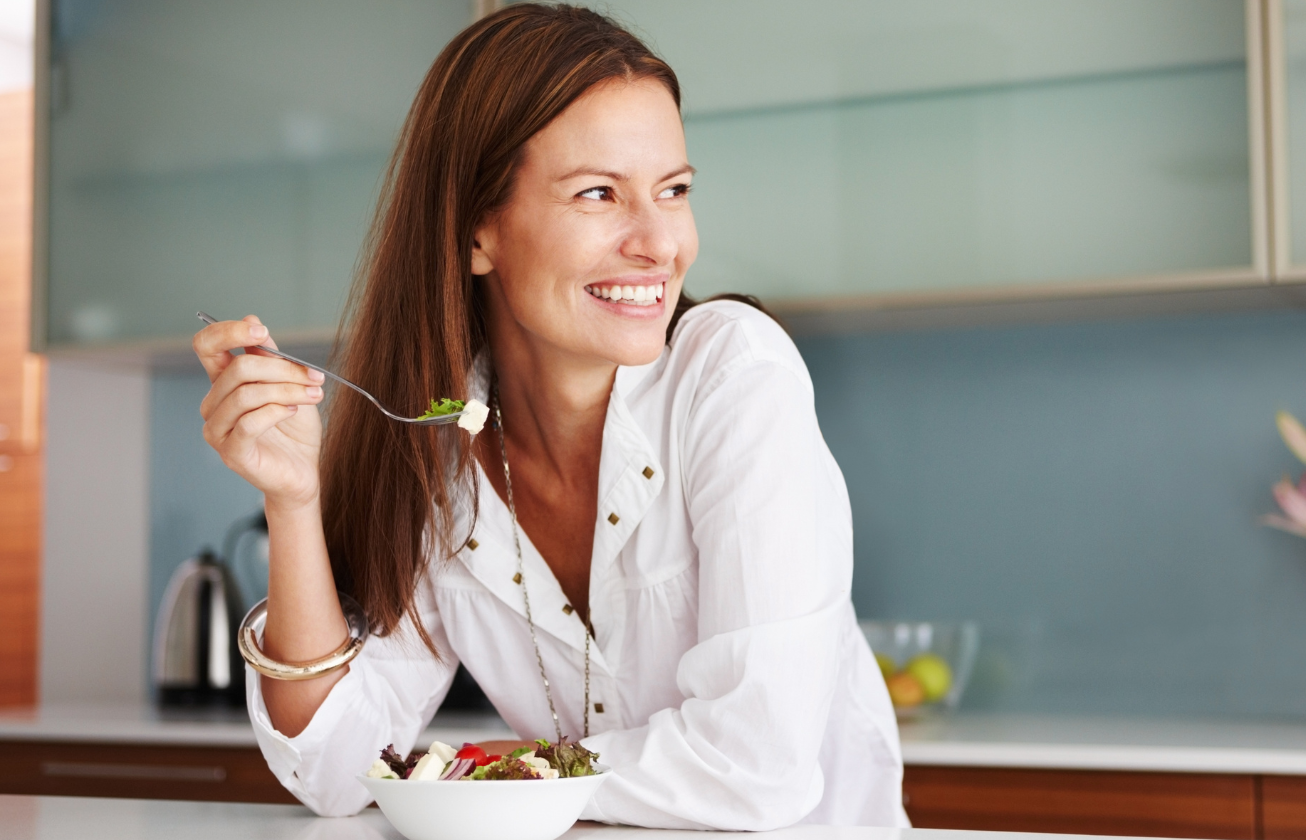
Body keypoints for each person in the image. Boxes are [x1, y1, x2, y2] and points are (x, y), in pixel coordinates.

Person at [191, 4, 904, 829]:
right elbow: (336, 768)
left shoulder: (734, 374)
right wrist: (293, 501)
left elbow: (756, 766)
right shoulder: (438, 448)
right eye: (599, 193)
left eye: (673, 191)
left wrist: (487, 772)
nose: (659, 242)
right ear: (475, 233)